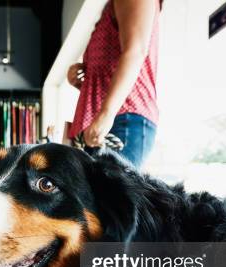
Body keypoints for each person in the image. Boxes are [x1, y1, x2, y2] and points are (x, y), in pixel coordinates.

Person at [68, 0, 161, 168]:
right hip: (110, 119)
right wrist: (83, 82)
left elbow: (136, 51)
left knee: (111, 193)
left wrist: (106, 114)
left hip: (123, 116)